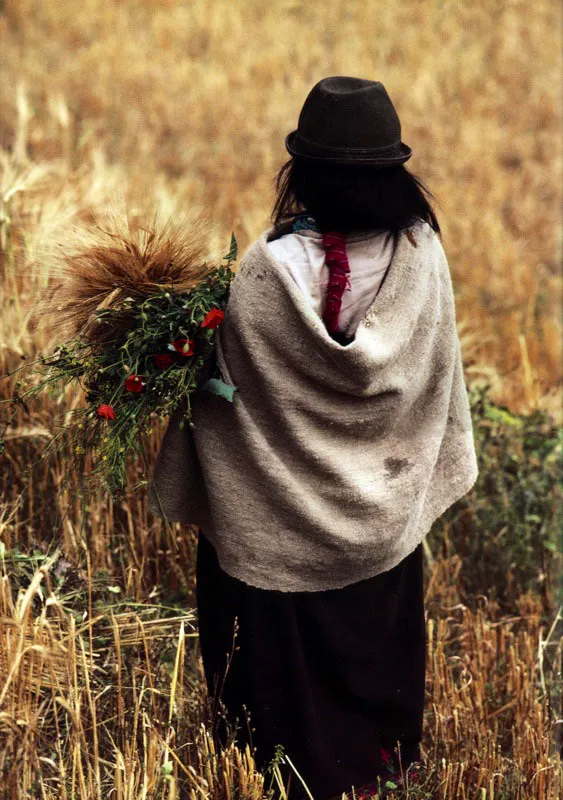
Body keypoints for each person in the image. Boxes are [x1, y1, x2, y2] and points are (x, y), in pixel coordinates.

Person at [148, 76, 479, 799]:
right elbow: (432, 379)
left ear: (304, 173)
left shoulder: (269, 270)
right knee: (376, 637)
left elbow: (227, 392)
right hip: (383, 523)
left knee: (260, 631)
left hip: (279, 531)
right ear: (394, 174)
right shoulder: (423, 253)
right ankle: (380, 768)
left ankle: (284, 771)